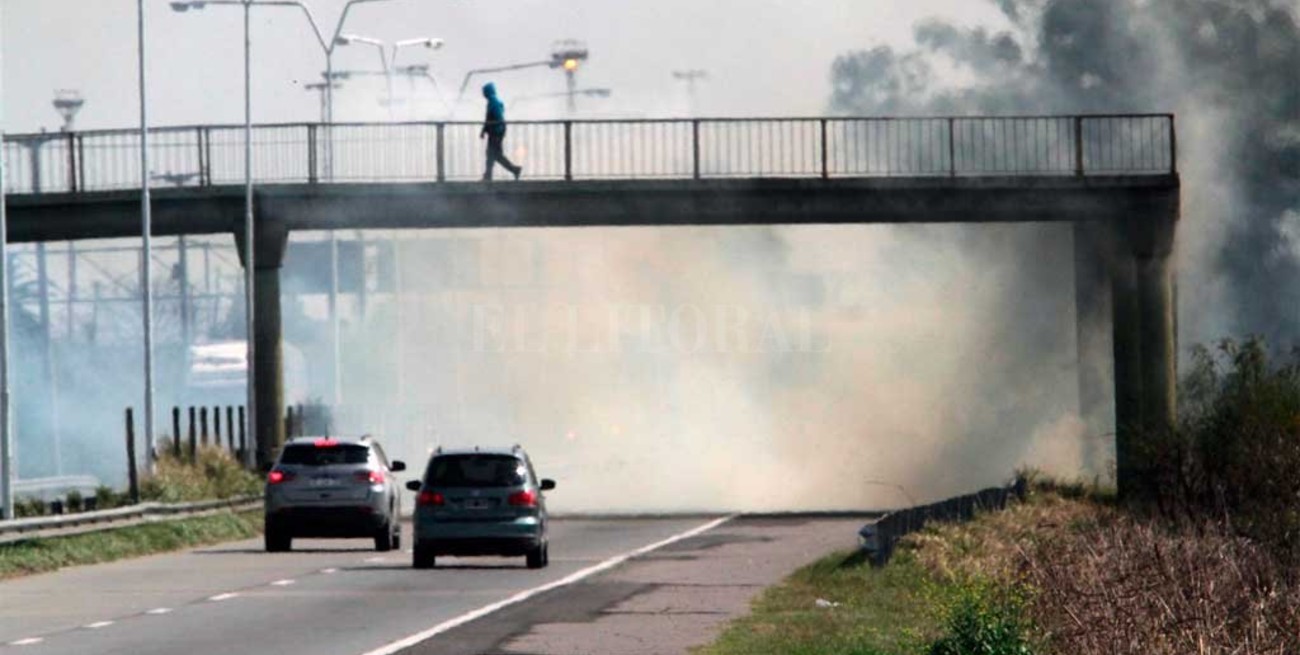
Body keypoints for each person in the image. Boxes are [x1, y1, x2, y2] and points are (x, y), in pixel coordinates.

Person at [480, 82, 522, 181]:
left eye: (484, 92)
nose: (483, 94)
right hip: (497, 131)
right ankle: (489, 175)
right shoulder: (494, 101)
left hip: (495, 132)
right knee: (493, 154)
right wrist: (485, 130)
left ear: (487, 92)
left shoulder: (493, 102)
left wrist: (487, 129)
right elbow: (490, 119)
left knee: (494, 154)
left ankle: (514, 170)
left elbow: (494, 118)